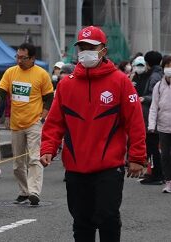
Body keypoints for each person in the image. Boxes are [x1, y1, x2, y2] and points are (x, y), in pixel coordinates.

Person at [40, 26, 146, 242]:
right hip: (75, 167)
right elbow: (54, 123)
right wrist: (48, 148)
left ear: (103, 50)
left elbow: (135, 122)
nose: (85, 51)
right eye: (82, 47)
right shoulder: (65, 85)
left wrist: (137, 157)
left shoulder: (120, 81)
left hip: (109, 166)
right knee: (81, 221)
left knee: (107, 218)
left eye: (91, 47)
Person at [0, 43, 54, 205]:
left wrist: (43, 117)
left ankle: (34, 191)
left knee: (34, 159)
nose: (19, 60)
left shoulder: (41, 74)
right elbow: (0, 92)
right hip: (17, 124)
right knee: (18, 163)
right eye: (17, 57)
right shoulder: (11, 72)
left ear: (32, 58)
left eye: (23, 57)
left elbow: (48, 98)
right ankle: (24, 191)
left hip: (34, 123)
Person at [133, 51, 163, 185]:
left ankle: (157, 174)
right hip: (152, 115)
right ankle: (156, 173)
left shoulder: (154, 76)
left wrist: (144, 98)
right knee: (153, 147)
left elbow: (155, 96)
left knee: (152, 147)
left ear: (148, 63)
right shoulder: (156, 74)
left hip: (152, 116)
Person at [148, 55, 171, 193]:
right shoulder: (158, 86)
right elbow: (154, 107)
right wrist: (151, 125)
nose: (169, 69)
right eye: (167, 66)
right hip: (163, 127)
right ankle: (168, 181)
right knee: (165, 155)